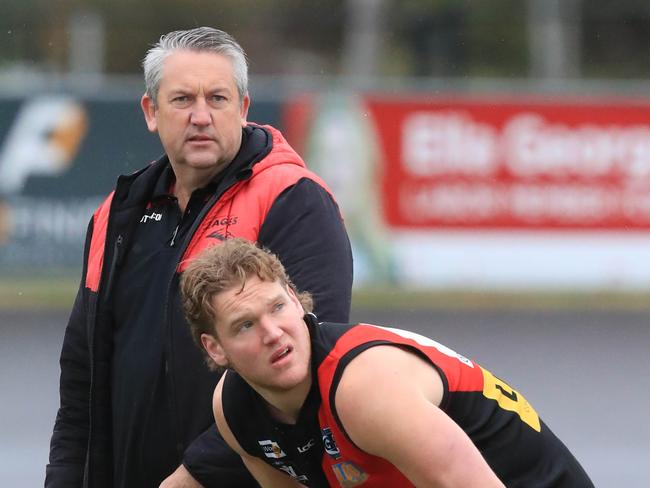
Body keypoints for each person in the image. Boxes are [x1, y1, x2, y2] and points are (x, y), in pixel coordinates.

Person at [45, 27, 353, 488]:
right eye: (183, 100)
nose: (201, 117)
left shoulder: (292, 199)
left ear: (244, 109)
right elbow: (81, 380)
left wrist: (191, 478)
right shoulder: (117, 214)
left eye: (218, 99)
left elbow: (305, 368)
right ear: (151, 112)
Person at [180, 238, 595, 488]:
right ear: (215, 348)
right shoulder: (234, 409)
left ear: (294, 297)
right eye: (245, 325)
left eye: (277, 307)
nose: (273, 332)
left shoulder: (363, 387)